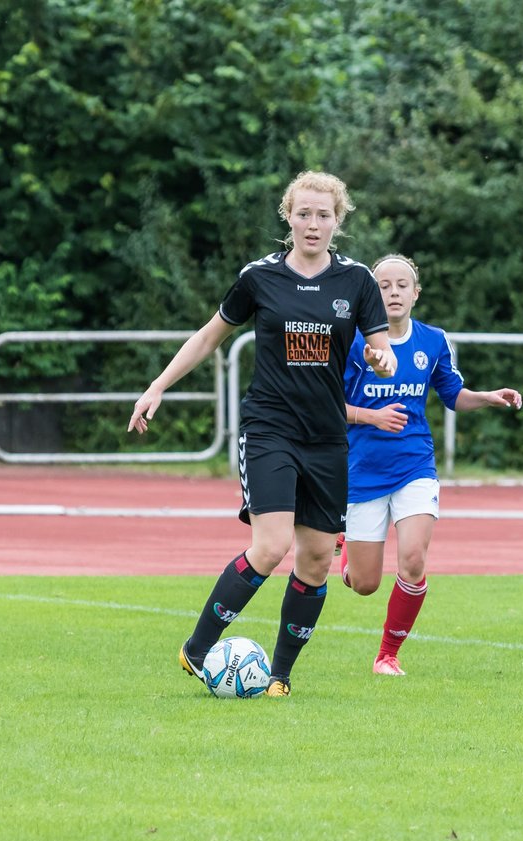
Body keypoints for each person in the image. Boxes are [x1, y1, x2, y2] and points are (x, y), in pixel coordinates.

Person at [129, 171, 396, 698]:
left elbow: (381, 353)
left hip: (327, 438)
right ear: (288, 216)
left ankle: (279, 676)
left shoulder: (358, 281)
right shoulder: (260, 277)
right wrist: (157, 386)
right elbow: (209, 337)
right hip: (270, 428)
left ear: (337, 220)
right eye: (303, 213)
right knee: (271, 546)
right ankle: (198, 648)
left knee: (317, 559)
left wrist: (381, 361)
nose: (313, 224)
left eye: (324, 215)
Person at [337, 253, 522, 676]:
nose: (394, 292)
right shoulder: (350, 342)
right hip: (361, 470)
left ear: (416, 293)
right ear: (370, 293)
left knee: (414, 560)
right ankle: (346, 546)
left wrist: (487, 397)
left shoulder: (434, 340)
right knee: (365, 584)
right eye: (383, 285)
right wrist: (371, 417)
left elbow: (453, 395)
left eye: (403, 284)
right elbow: (326, 406)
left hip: (415, 465)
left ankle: (387, 656)